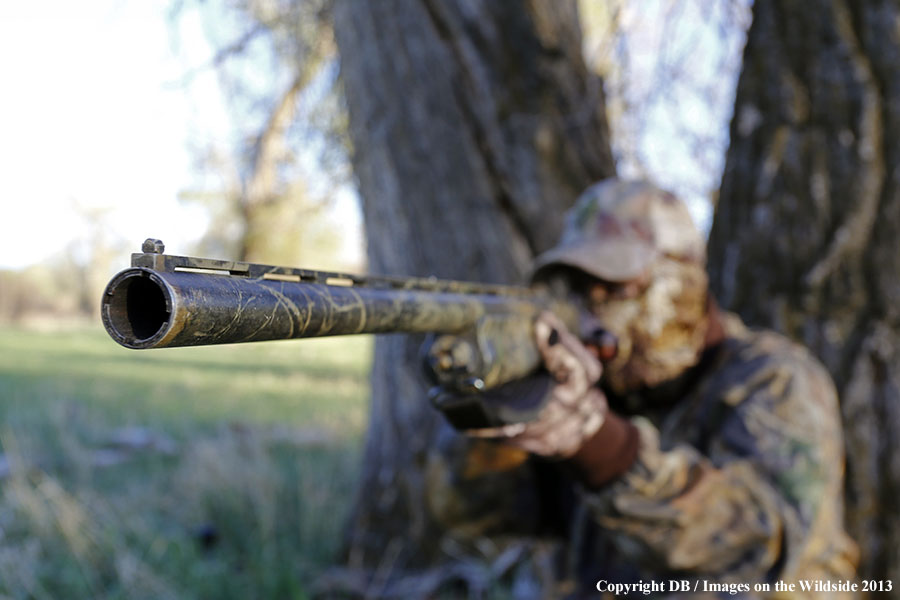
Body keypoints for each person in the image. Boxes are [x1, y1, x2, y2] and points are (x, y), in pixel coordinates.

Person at [429, 179, 858, 598]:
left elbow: (765, 545)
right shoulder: (595, 385)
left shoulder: (772, 378)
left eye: (615, 288)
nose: (592, 310)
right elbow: (472, 512)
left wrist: (598, 443)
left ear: (683, 282)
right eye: (580, 291)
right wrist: (499, 413)